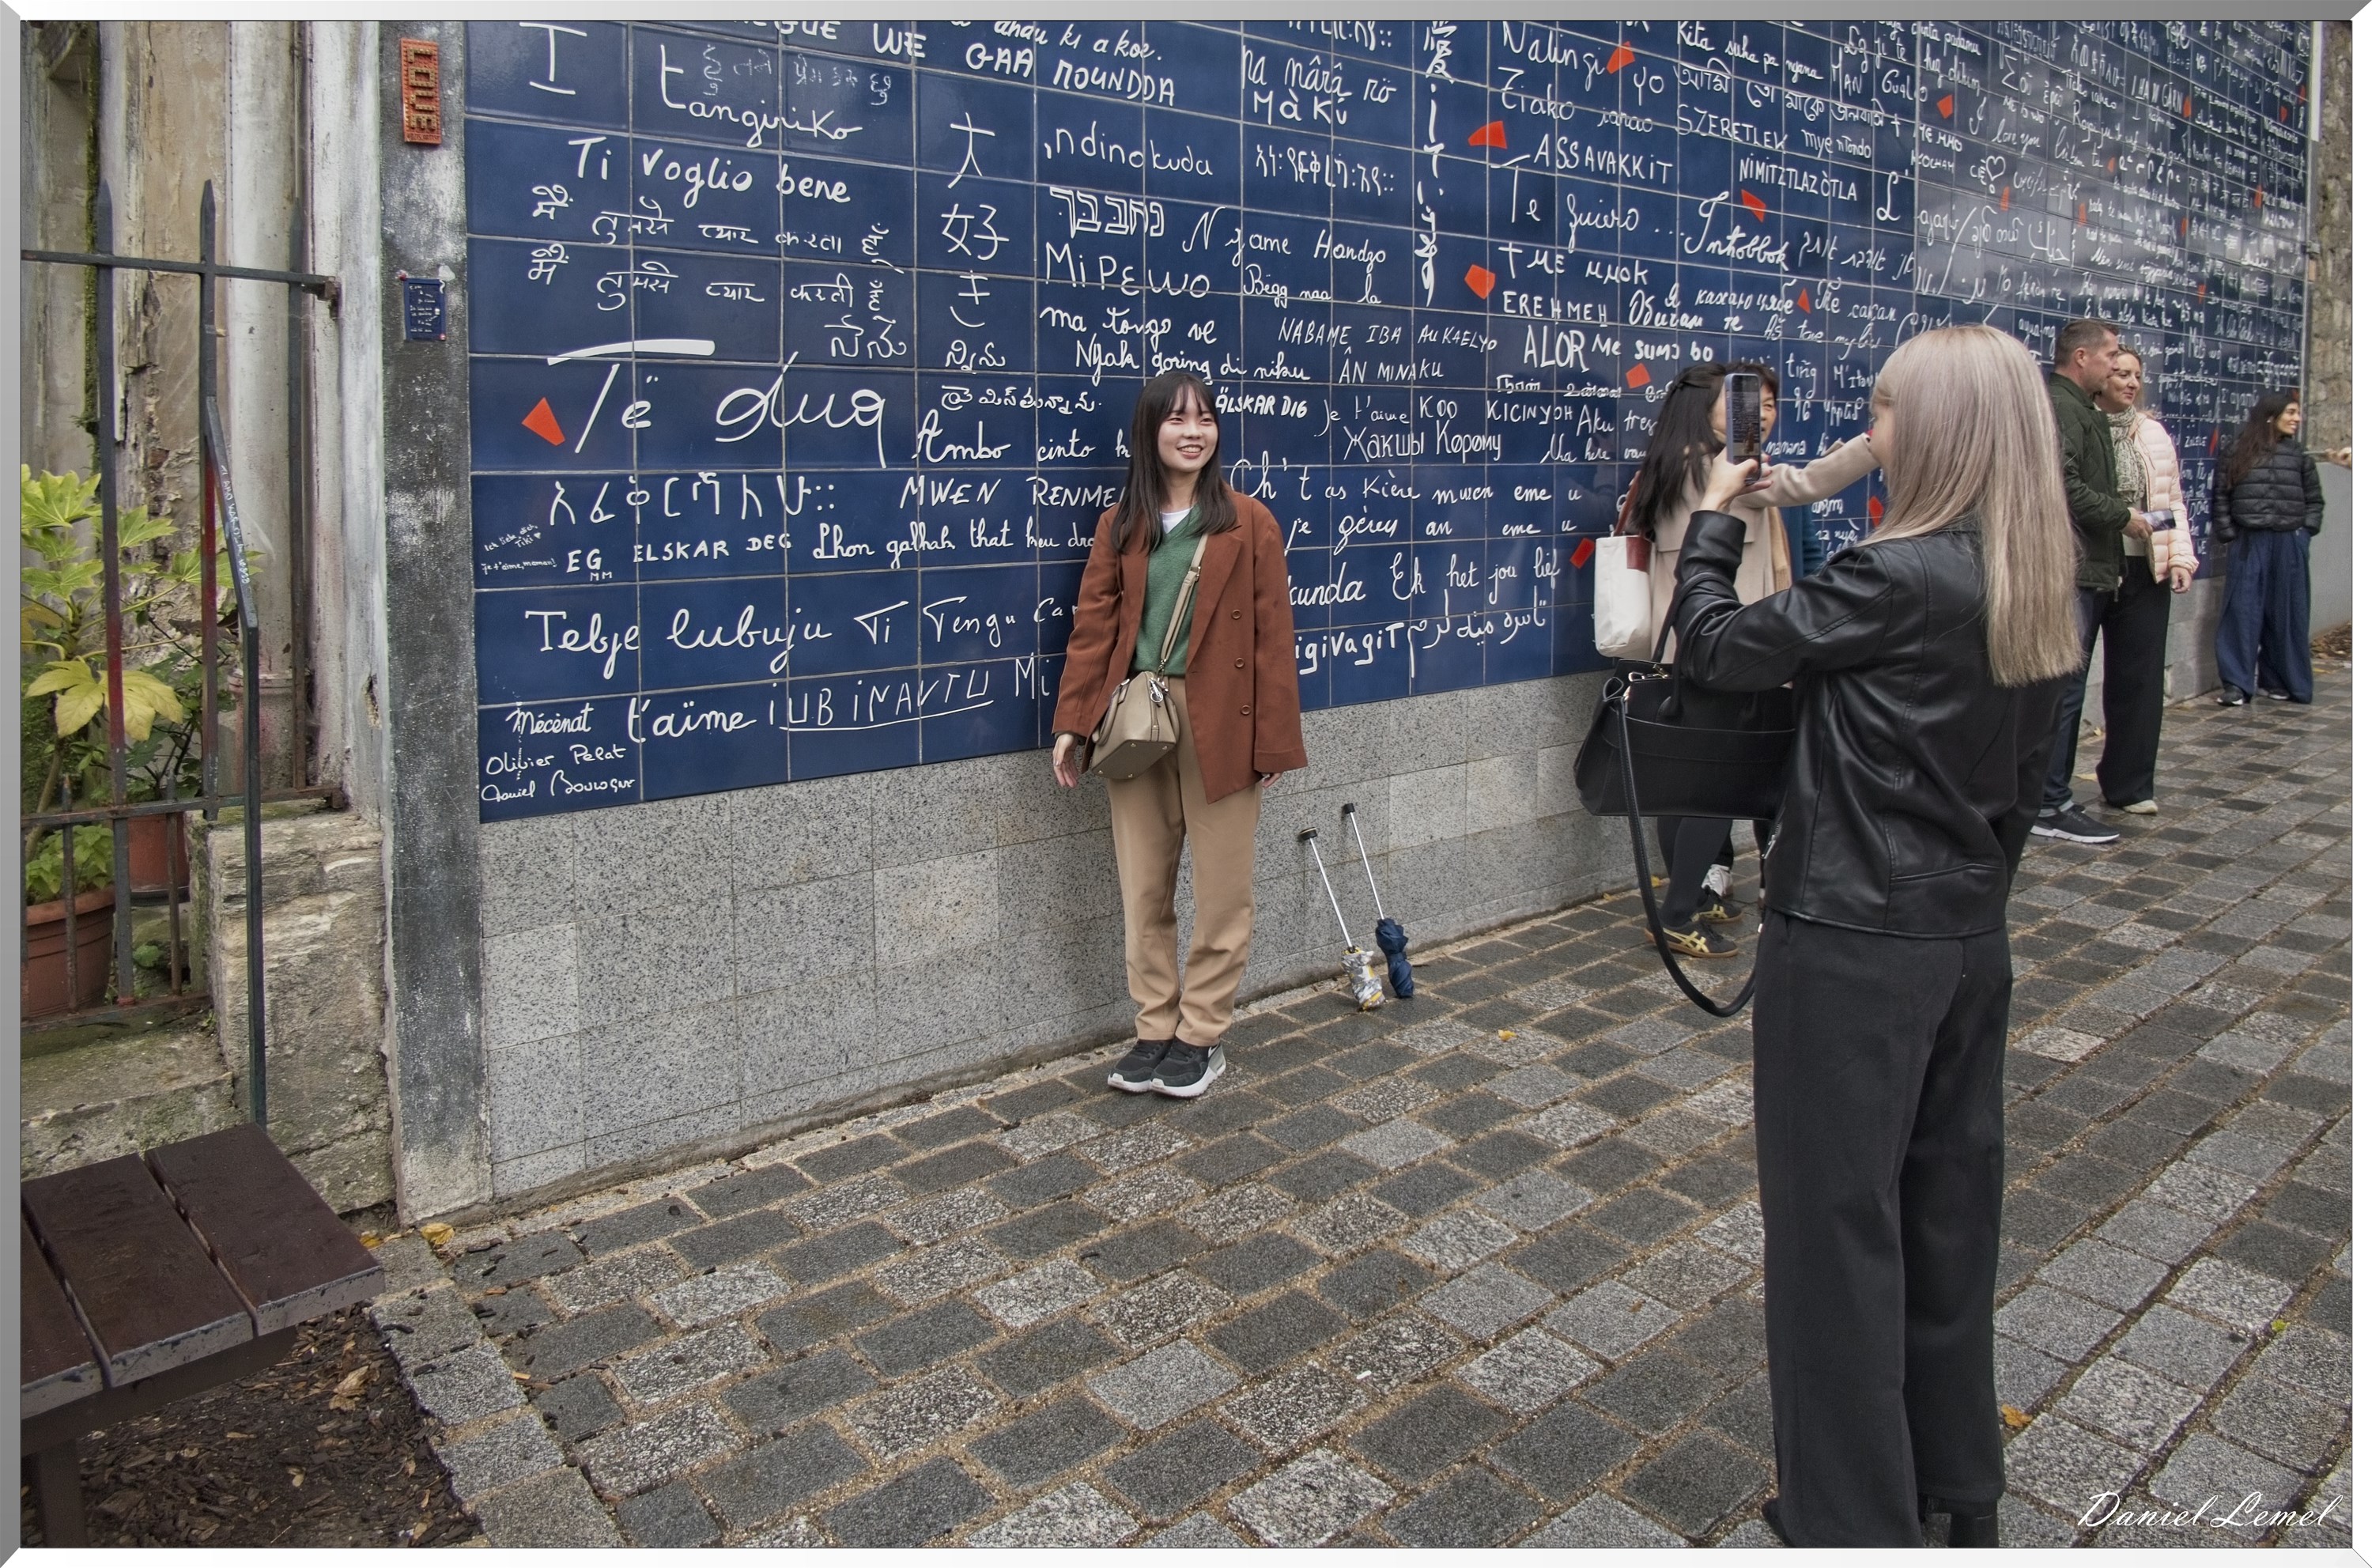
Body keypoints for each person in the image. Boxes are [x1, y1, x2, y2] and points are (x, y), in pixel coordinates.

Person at [1667, 325, 2076, 1547]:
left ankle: (1851, 1518)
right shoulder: (2031, 575)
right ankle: (1956, 1490)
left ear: (1937, 430)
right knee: (1947, 1216)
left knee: (1832, 1237)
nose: (1868, 431)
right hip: (1964, 938)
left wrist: (1720, 521)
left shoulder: (1894, 578)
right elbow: (2028, 788)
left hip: (1849, 941)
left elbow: (1719, 646)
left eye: (1887, 411)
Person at [1050, 371, 1305, 1099]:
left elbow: (1271, 641)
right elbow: (1094, 628)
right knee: (1143, 884)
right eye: (1176, 420)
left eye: (1205, 419)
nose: (1193, 432)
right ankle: (1154, 1027)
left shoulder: (1248, 522)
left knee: (1223, 888)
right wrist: (1073, 723)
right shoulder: (1121, 524)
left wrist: (1275, 743)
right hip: (1137, 716)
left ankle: (1201, 1036)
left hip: (1225, 719)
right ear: (1150, 432)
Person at [1634, 361, 1879, 958]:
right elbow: (1805, 484)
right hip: (1725, 645)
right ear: (1706, 408)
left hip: (1682, 645)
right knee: (1722, 786)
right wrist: (1875, 445)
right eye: (1747, 403)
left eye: (1770, 405)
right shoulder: (1717, 470)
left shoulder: (1669, 465)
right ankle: (1676, 913)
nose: (1762, 416)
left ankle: (1691, 898)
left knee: (1688, 786)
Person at [2035, 318, 2149, 847]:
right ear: (2082, 359)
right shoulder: (2062, 406)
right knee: (2062, 688)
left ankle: (2051, 795)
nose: (2115, 365)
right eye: (2109, 356)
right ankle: (2049, 801)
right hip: (2072, 567)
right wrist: (2122, 516)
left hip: (2089, 565)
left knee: (2069, 688)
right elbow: (2065, 486)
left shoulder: (2080, 408)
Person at [2078, 347, 2198, 814]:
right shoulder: (2081, 427)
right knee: (2071, 676)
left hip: (2146, 567)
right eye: (2121, 374)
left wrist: (2181, 558)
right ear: (2100, 378)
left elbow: (2174, 501)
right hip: (2090, 565)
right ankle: (2051, 792)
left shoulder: (2152, 434)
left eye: (2136, 376)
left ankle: (2130, 786)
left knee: (2140, 679)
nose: (2130, 383)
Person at [2212, 390, 2324, 706]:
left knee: (2287, 614)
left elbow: (2314, 500)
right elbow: (2221, 495)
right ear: (2270, 416)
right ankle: (2237, 685)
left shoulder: (2300, 455)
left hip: (2288, 543)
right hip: (2249, 542)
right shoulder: (2237, 452)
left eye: (2297, 412)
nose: (2297, 419)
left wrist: (2305, 532)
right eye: (2290, 412)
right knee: (2242, 613)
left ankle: (2281, 682)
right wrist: (2230, 534)